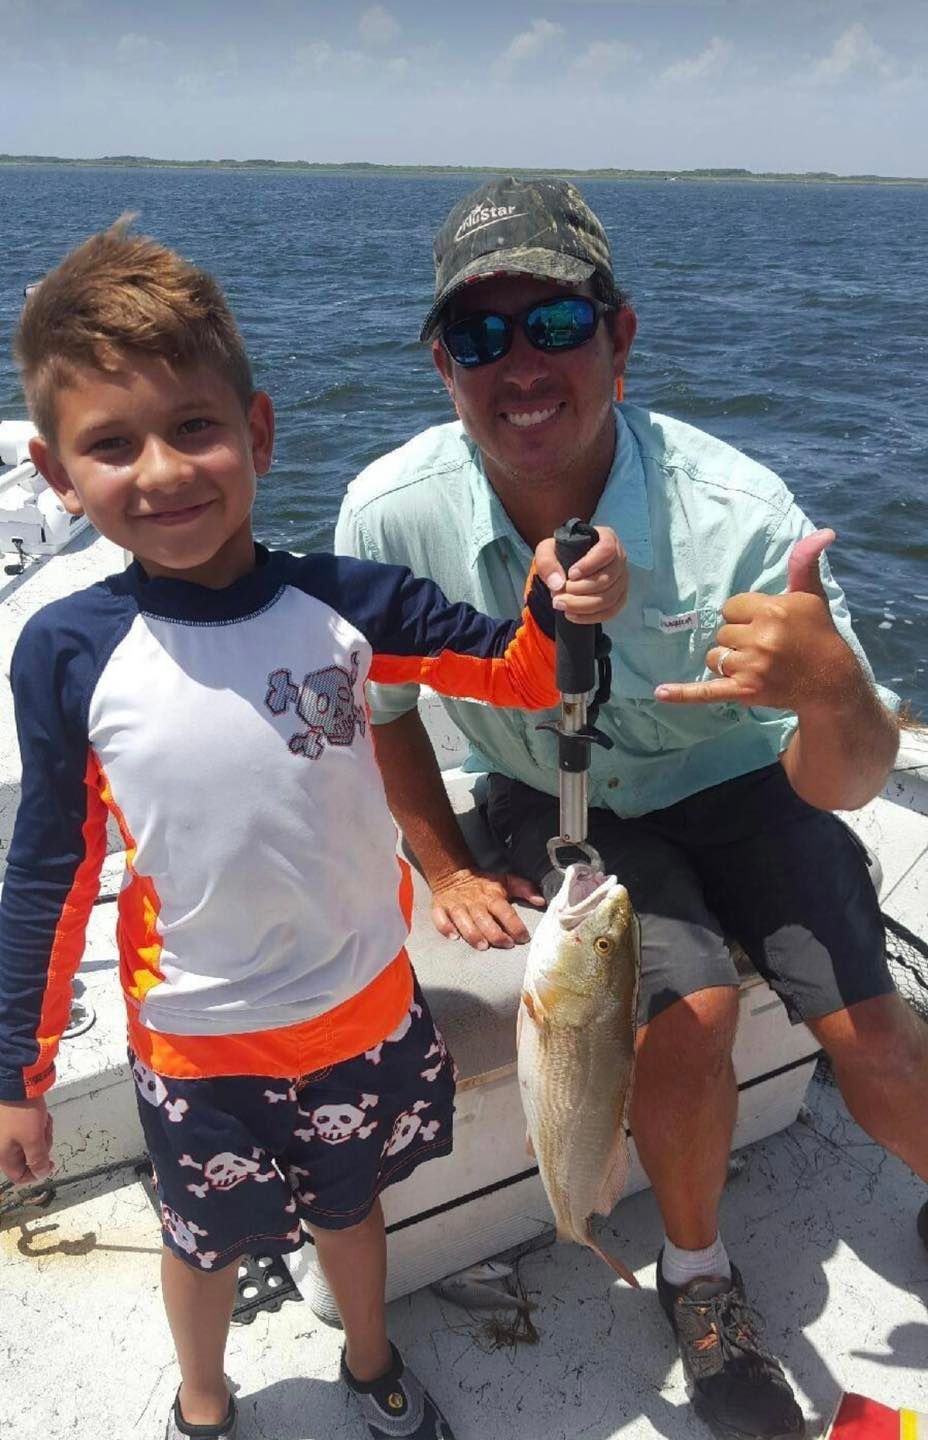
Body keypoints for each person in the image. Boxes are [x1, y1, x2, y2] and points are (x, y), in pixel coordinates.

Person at [0, 220, 625, 1440]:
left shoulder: (342, 600)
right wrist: (16, 1074)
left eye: (194, 427)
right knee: (202, 1240)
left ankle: (371, 1360)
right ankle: (203, 1397)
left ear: (260, 433)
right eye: (110, 446)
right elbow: (48, 873)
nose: (165, 470)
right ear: (58, 477)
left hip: (362, 1010)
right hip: (198, 1042)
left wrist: (559, 597)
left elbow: (509, 669)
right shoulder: (67, 650)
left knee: (354, 1209)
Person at [336, 176, 928, 1440]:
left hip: (740, 785)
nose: (519, 364)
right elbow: (383, 713)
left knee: (874, 1040)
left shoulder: (735, 515)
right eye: (478, 335)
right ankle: (698, 1279)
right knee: (693, 1011)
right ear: (442, 364)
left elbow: (839, 784)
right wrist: (440, 863)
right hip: (566, 805)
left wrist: (830, 692)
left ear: (620, 336)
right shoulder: (392, 514)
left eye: (552, 323)